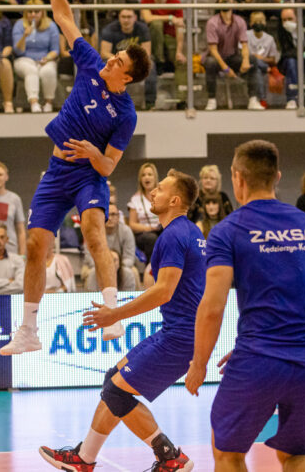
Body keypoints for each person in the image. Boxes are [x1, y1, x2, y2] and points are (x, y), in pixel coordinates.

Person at [0, 0, 151, 355]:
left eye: (117, 61)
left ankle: (113, 314)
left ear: (127, 77)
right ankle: (28, 331)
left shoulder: (125, 114)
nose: (110, 60)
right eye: (113, 56)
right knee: (35, 245)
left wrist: (90, 153)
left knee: (93, 235)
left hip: (89, 175)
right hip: (56, 172)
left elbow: (110, 165)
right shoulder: (90, 64)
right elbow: (64, 17)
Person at [42, 169, 201, 472]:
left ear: (175, 200)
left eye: (162, 189)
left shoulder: (174, 235)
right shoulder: (191, 232)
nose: (154, 193)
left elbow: (163, 292)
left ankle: (170, 457)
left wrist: (114, 314)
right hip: (178, 332)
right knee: (112, 381)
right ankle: (83, 458)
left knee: (117, 391)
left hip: (180, 337)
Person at [187, 140, 305, 472]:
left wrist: (199, 363)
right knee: (299, 456)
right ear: (277, 176)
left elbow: (213, 305)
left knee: (228, 453)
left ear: (237, 178)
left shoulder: (228, 231)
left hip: (259, 358)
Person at [201, 0, 251, 111]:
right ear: (218, 3)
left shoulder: (240, 21)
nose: (225, 2)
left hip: (232, 56)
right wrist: (226, 69)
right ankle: (211, 99)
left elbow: (244, 45)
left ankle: (254, 98)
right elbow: (213, 50)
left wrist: (246, 60)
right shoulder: (212, 22)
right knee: (210, 63)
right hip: (216, 57)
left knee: (253, 61)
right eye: (222, 0)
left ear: (233, 3)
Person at [100, 8, 156, 110]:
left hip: (135, 63)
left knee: (151, 67)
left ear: (135, 18)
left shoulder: (143, 29)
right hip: (115, 59)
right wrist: (118, 60)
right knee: (102, 66)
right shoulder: (109, 29)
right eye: (123, 17)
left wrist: (131, 63)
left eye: (129, 17)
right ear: (119, 18)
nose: (126, 20)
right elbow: (104, 52)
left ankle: (150, 104)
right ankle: (104, 100)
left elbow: (146, 53)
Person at [12, 1, 60, 113]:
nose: (33, 14)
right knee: (31, 70)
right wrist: (24, 36)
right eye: (30, 11)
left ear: (42, 12)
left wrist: (47, 59)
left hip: (45, 59)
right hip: (24, 59)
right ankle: (34, 103)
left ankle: (49, 103)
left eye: (36, 11)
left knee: (48, 71)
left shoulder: (51, 25)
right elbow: (17, 51)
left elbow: (55, 50)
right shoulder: (19, 25)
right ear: (25, 13)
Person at [82, 203, 139, 292]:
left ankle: (133, 301)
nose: (110, 218)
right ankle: (90, 299)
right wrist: (104, 266)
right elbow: (89, 257)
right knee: (90, 272)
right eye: (106, 214)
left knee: (133, 272)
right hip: (96, 264)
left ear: (118, 216)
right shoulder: (93, 231)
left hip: (120, 265)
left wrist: (116, 265)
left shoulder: (126, 231)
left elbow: (129, 257)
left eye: (113, 214)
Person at [127, 163, 161, 263]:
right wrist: (149, 228)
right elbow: (132, 224)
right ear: (140, 179)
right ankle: (151, 269)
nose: (147, 177)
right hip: (144, 234)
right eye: (143, 175)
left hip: (160, 230)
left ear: (155, 177)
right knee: (152, 238)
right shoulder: (135, 199)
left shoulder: (162, 196)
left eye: (150, 174)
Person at [246, 11, 278, 109]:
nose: (258, 24)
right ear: (251, 23)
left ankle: (258, 100)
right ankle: (262, 100)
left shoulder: (270, 39)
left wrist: (262, 58)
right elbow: (242, 54)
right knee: (255, 65)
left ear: (265, 23)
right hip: (248, 66)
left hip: (263, 66)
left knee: (258, 69)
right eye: (255, 21)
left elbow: (273, 60)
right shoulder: (245, 35)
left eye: (261, 21)